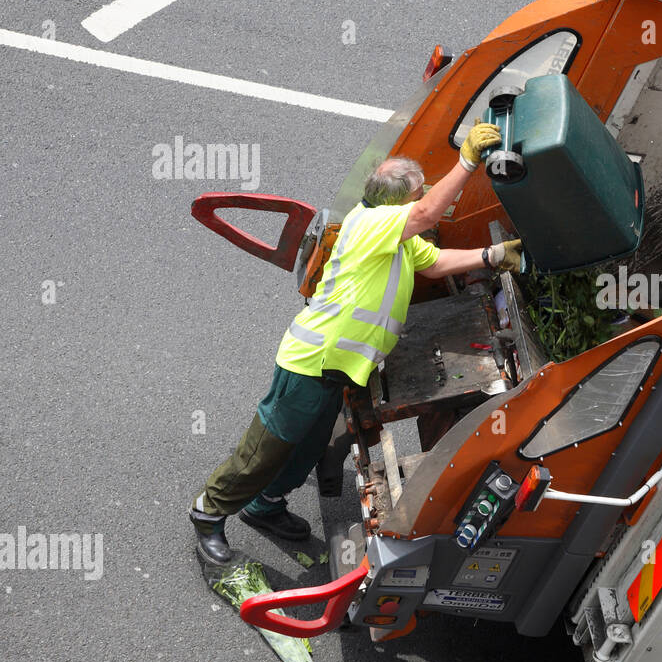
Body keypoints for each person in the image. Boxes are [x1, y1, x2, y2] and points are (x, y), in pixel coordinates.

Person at [189, 121, 522, 563]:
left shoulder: (398, 240)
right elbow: (425, 216)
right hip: (311, 360)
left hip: (339, 366)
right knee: (267, 447)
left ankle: (264, 504)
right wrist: (466, 161)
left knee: (306, 445)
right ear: (398, 202)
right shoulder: (370, 225)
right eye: (418, 192)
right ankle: (209, 512)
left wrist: (493, 255)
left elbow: (436, 262)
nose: (424, 198)